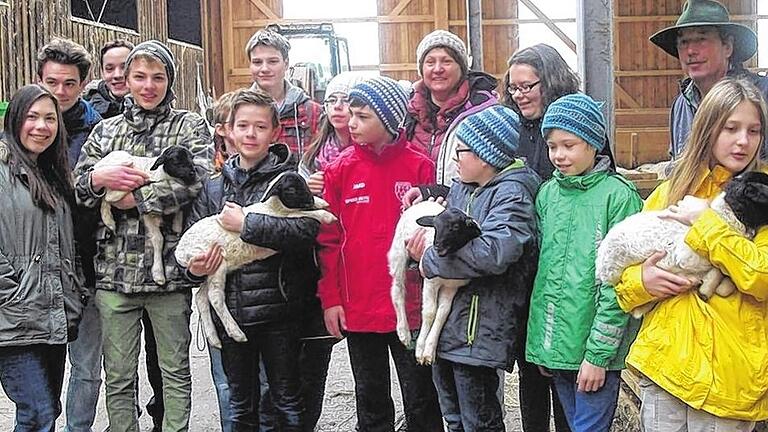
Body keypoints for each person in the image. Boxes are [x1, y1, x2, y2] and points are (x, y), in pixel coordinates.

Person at [73, 40, 213, 432]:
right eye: (140, 76)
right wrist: (98, 180)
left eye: (158, 77)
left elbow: (194, 181)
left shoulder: (189, 126)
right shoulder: (105, 131)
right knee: (118, 377)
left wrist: (133, 198)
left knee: (174, 371)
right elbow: (81, 188)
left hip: (168, 272)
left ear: (170, 81)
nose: (148, 85)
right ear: (126, 80)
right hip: (114, 274)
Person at [615, 77, 768, 430]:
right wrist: (643, 281)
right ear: (708, 128)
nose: (743, 141)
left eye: (754, 130)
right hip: (667, 364)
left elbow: (761, 276)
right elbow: (624, 268)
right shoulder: (673, 190)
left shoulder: (762, 197)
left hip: (729, 374)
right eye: (731, 128)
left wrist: (708, 223)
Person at [182, 88, 319, 431]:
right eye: (242, 126)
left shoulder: (288, 181)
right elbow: (190, 242)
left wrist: (248, 225)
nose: (251, 134)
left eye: (260, 127)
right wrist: (194, 271)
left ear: (274, 133)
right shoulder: (213, 188)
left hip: (281, 311)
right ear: (227, 129)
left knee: (285, 400)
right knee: (239, 403)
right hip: (231, 311)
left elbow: (305, 232)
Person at [317, 76, 444, 432]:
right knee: (370, 397)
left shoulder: (419, 167)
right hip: (358, 304)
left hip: (411, 307)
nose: (351, 123)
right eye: (350, 115)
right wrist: (331, 299)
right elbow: (328, 240)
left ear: (388, 120)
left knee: (421, 398)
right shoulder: (340, 169)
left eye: (362, 116)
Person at [416, 105, 540, 431]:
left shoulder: (513, 193)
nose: (455, 160)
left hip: (479, 332)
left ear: (484, 156)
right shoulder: (462, 188)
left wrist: (429, 259)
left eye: (460, 151)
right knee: (454, 418)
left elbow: (495, 252)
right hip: (450, 329)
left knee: (479, 422)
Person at [525, 94, 642, 432]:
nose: (559, 155)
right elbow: (544, 277)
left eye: (569, 145)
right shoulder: (548, 194)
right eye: (552, 146)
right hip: (560, 348)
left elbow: (618, 284)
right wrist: (546, 348)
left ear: (593, 143)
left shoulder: (617, 197)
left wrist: (598, 356)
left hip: (595, 353)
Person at [259, 71, 369, 432]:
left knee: (333, 360)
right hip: (309, 264)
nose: (340, 110)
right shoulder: (312, 153)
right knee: (297, 365)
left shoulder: (366, 151)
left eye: (349, 103)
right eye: (334, 101)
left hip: (348, 261)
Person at [0, 84, 87, 431]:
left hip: (53, 315)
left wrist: (75, 288)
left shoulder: (52, 174)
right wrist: (9, 292)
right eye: (32, 117)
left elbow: (67, 246)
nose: (41, 126)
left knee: (46, 410)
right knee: (37, 412)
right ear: (15, 119)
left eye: (50, 118)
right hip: (13, 316)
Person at [35, 37, 110, 432]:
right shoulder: (24, 126)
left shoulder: (99, 131)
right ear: (40, 80)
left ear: (83, 84)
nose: (60, 92)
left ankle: (76, 428)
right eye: (52, 83)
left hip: (87, 263)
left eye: (69, 83)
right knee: (42, 362)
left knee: (86, 364)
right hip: (36, 269)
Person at [649, 0, 768, 159]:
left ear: (727, 47)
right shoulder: (681, 105)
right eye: (684, 42)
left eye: (701, 39)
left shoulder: (762, 95)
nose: (691, 51)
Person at [502, 43, 615, 182]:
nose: (517, 95)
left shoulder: (581, 121)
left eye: (526, 87)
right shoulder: (511, 128)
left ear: (551, 82)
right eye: (513, 88)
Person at [403, 29, 498, 186]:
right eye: (430, 62)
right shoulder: (406, 112)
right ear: (421, 69)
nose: (438, 69)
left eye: (446, 61)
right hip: (412, 205)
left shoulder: (482, 113)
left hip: (464, 206)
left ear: (461, 68)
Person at [245, 29, 322, 158]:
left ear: (286, 64)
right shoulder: (237, 111)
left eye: (273, 61)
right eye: (257, 62)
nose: (264, 69)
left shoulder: (312, 112)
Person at [84, 39, 134, 119]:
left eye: (124, 67)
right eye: (110, 68)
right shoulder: (86, 112)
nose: (117, 75)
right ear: (102, 72)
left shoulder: (154, 106)